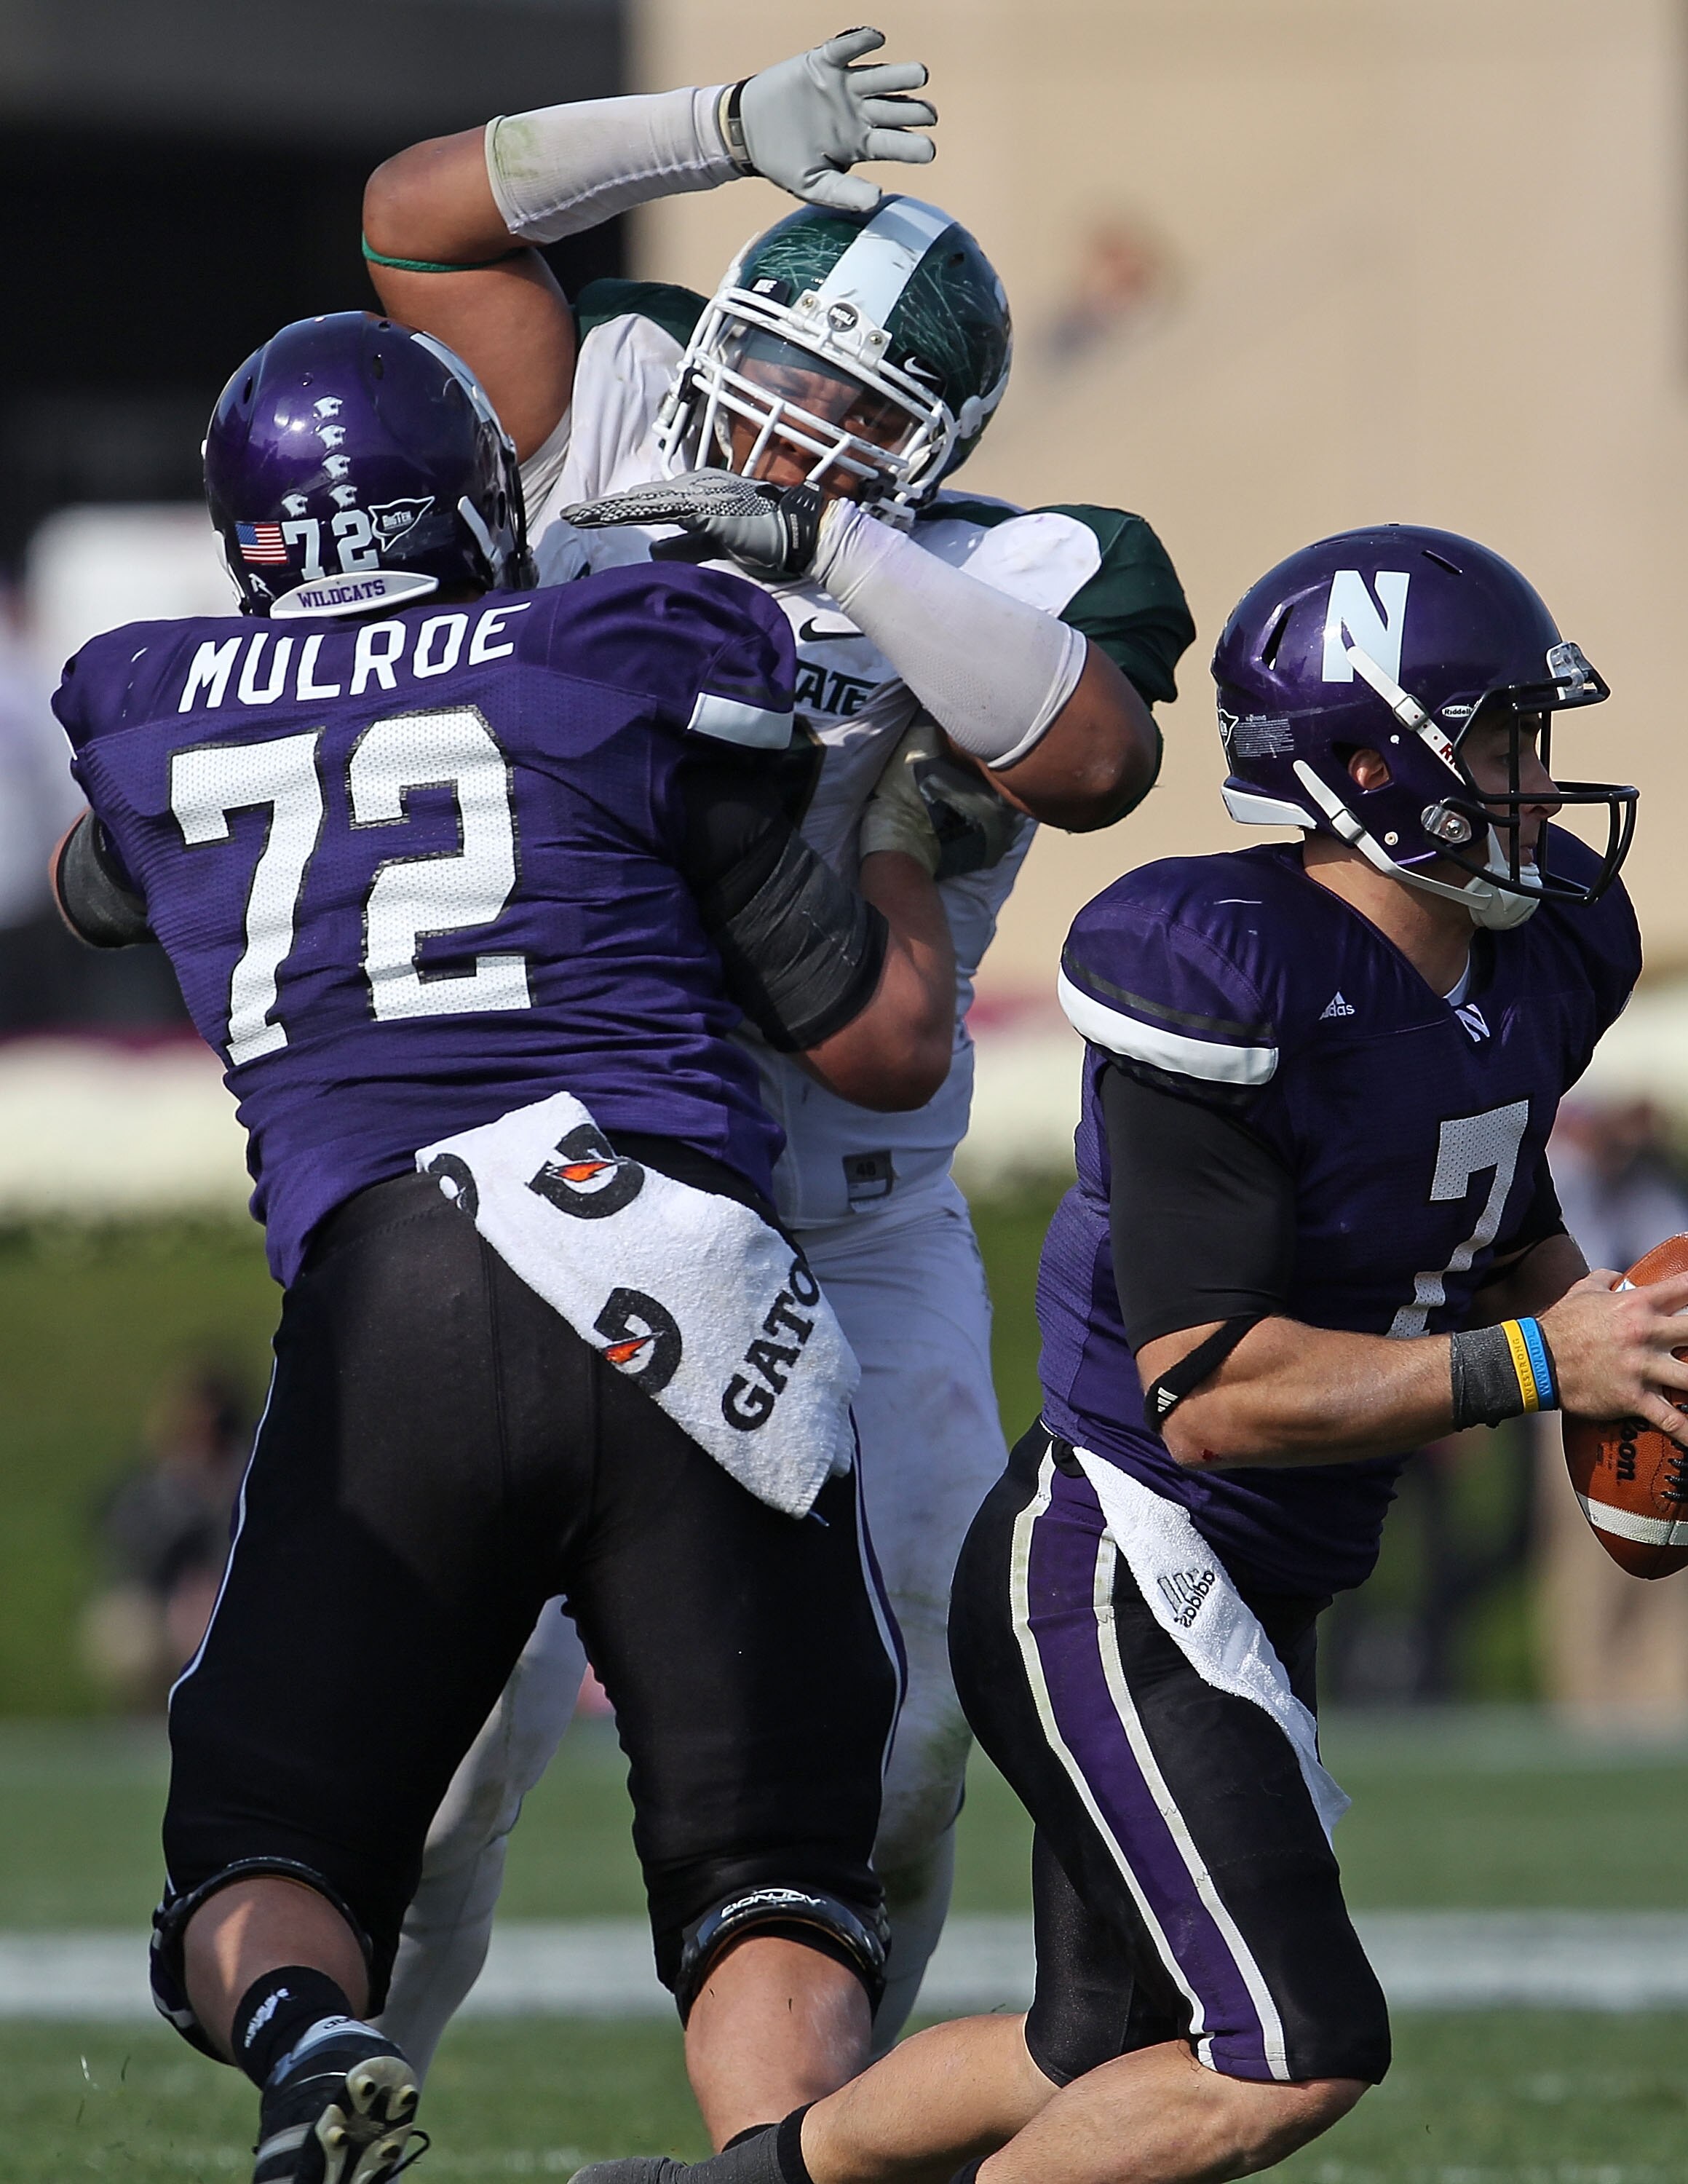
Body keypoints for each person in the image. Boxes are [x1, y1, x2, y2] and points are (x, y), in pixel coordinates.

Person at [563, 525, 1688, 2184]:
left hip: (1255, 1576)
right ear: (1369, 763)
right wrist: (1535, 1361)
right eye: (1497, 741)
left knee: (1092, 2045)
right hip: (1117, 1559)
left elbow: (1487, 1194)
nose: (1536, 783)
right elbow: (1205, 1390)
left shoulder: (1537, 949)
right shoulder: (1225, 969)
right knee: (1291, 2048)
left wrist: (1623, 1347)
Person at [357, 23, 1194, 2070]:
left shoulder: (1021, 565)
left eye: (847, 407)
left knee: (903, 1751)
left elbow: (1091, 753)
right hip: (574, 1184)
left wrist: (833, 556)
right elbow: (408, 217)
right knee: (453, 1746)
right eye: (771, 359)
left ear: (929, 443)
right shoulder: (622, 389)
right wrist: (715, 130)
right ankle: (338, 2100)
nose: (781, 419)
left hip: (848, 1213)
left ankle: (805, 2146)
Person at [51, 310, 962, 2184]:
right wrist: (888, 827)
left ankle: (316, 2044)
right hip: (682, 1275)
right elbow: (829, 1003)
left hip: (393, 1294)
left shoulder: (154, 708)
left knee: (264, 1848)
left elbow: (99, 873)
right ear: (477, 498)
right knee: (768, 1866)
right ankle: (775, 2157)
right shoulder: (618, 650)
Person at [1533, 1096, 1688, 1724]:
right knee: (1590, 1549)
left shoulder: (1658, 1190)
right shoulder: (1562, 1183)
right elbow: (1568, 1279)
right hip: (1589, 1400)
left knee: (1685, 1544)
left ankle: (1674, 1706)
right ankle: (1590, 1707)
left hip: (1684, 1391)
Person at [81, 1364, 253, 1709]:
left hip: (229, 1601)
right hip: (159, 1600)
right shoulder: (155, 1484)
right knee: (128, 1631)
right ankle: (147, 1720)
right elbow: (128, 1548)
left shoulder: (247, 1477)